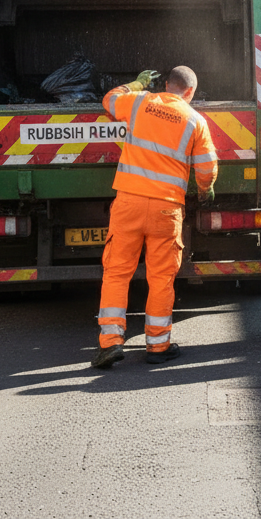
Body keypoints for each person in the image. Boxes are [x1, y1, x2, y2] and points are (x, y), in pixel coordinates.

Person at [92, 66, 217, 369]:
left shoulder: (139, 101)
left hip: (129, 203)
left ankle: (110, 343)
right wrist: (205, 190)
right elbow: (206, 167)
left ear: (165, 84)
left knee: (117, 271)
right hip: (166, 209)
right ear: (190, 92)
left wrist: (134, 84)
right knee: (161, 277)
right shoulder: (195, 120)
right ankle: (158, 345)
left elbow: (109, 101)